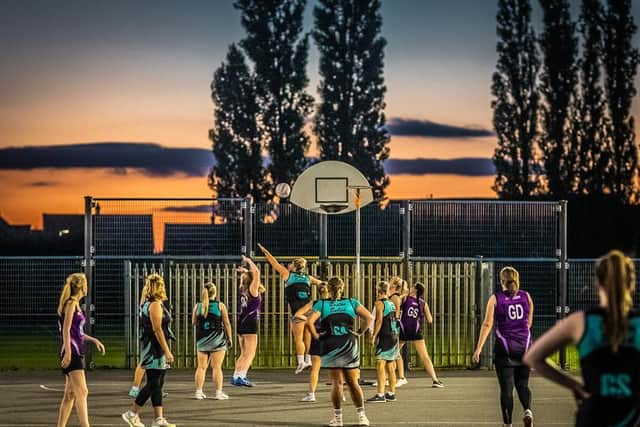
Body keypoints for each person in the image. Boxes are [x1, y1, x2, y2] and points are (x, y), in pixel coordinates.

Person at [524, 250, 638, 427]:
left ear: (597, 283)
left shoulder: (581, 322)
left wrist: (574, 385)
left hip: (593, 416)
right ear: (631, 284)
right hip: (631, 416)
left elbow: (532, 357)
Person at [307, 277, 373, 427]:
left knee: (337, 382)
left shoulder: (322, 304)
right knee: (353, 382)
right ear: (342, 288)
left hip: (331, 343)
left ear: (328, 289)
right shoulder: (351, 302)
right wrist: (360, 332)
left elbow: (309, 322)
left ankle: (338, 419)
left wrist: (317, 336)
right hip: (349, 342)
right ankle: (362, 416)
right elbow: (369, 317)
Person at [472, 267, 533, 427]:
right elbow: (528, 322)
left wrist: (478, 349)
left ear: (501, 281)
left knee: (507, 389)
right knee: (523, 385)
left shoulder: (495, 298)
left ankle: (508, 424)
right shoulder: (526, 296)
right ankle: (528, 410)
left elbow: (487, 324)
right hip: (525, 348)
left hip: (505, 349)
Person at [257, 243, 322, 373]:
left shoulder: (288, 275)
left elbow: (274, 263)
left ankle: (301, 362)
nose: (288, 265)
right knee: (307, 337)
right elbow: (322, 284)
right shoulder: (308, 278)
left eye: (291, 263)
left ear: (294, 266)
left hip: (297, 313)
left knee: (298, 339)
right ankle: (308, 360)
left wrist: (265, 252)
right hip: (309, 312)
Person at [122, 274, 175, 427]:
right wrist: (167, 351)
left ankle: (158, 419)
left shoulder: (150, 303)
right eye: (162, 285)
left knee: (158, 383)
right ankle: (131, 413)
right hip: (154, 349)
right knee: (153, 383)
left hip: (154, 347)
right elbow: (157, 330)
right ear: (159, 287)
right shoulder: (154, 305)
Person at [57, 273, 106, 427]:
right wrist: (69, 354)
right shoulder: (71, 304)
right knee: (82, 391)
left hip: (75, 349)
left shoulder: (76, 304)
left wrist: (93, 340)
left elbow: (77, 332)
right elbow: (65, 330)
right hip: (71, 351)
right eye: (86, 284)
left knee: (70, 394)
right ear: (82, 286)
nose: (87, 287)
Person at [396, 282, 443, 388]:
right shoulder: (423, 303)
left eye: (412, 287)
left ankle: (397, 378)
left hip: (404, 330)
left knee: (394, 353)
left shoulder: (405, 298)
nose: (411, 287)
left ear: (415, 290)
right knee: (425, 356)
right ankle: (435, 380)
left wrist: (404, 293)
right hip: (416, 331)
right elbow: (430, 320)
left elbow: (397, 302)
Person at [192, 282, 232, 400]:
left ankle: (198, 392)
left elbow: (193, 322)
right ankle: (218, 393)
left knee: (201, 367)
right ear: (215, 292)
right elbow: (227, 324)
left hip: (202, 340)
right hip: (217, 340)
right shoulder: (220, 306)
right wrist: (230, 338)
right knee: (217, 367)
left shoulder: (197, 306)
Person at [231, 255, 265, 387]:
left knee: (243, 353)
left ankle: (236, 375)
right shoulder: (252, 290)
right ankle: (241, 376)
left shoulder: (244, 289)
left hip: (242, 322)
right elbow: (256, 272)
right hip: (250, 323)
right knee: (250, 354)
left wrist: (244, 272)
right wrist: (249, 261)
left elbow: (252, 275)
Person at [367, 281, 400, 403]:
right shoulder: (391, 304)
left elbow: (379, 321)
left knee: (380, 364)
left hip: (385, 336)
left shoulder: (379, 304)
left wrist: (374, 335)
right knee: (390, 365)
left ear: (379, 291)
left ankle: (380, 394)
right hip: (393, 335)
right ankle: (391, 393)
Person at [301, 281, 329, 402]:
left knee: (315, 368)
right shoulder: (335, 304)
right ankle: (340, 393)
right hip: (331, 336)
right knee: (336, 368)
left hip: (317, 336)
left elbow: (298, 315)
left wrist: (314, 332)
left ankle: (311, 394)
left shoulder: (315, 304)